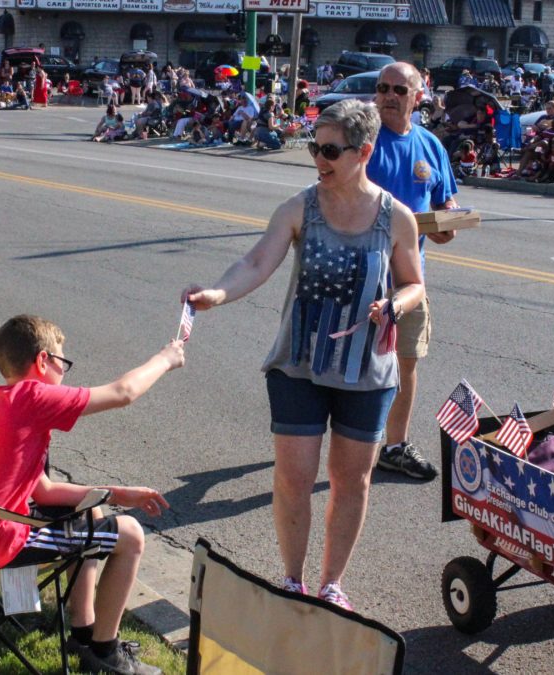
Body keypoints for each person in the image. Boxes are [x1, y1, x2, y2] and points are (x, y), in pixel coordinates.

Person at [182, 99, 425, 610]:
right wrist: (218, 294)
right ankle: (292, 580)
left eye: (330, 150)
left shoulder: (395, 218)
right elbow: (255, 262)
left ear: (365, 151)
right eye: (315, 146)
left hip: (367, 372)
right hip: (299, 365)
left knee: (351, 480)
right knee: (294, 476)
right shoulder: (300, 208)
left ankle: (331, 583)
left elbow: (414, 285)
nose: (318, 157)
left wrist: (394, 305)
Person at [0, 315, 183, 675]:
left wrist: (115, 495)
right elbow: (123, 393)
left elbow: (45, 490)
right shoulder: (32, 397)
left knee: (88, 510)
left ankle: (84, 633)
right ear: (42, 362)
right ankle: (106, 652)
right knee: (130, 535)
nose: (64, 372)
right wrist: (167, 358)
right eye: (62, 362)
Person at [368, 62, 458, 481]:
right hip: (360, 272)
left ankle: (395, 446)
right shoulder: (363, 139)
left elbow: (445, 203)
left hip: (409, 279)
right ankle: (322, 436)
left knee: (405, 362)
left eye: (398, 90)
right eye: (383, 87)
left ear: (417, 97)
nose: (389, 95)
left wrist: (446, 222)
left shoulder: (430, 146)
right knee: (341, 361)